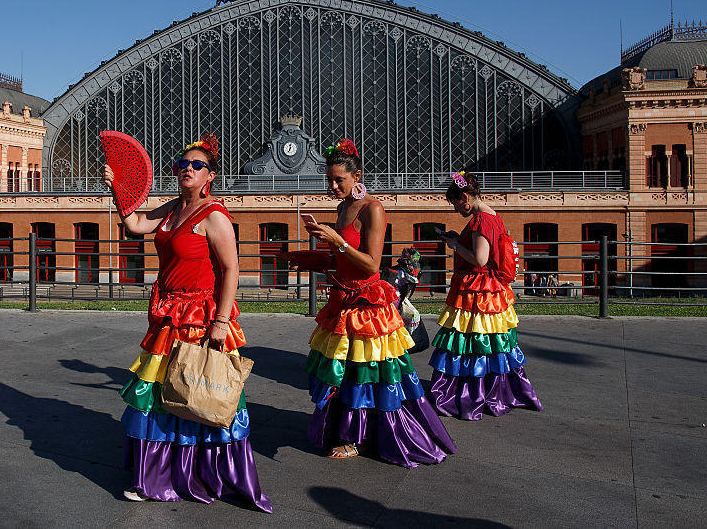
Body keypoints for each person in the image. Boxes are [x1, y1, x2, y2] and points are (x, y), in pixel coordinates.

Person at [102, 134, 272, 511]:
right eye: (182, 165)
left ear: (210, 175)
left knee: (199, 390)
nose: (187, 170)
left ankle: (203, 473)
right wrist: (117, 186)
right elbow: (135, 224)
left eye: (196, 166)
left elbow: (231, 269)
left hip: (200, 316)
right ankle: (158, 476)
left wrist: (222, 321)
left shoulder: (214, 215)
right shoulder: (173, 207)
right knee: (160, 395)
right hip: (168, 314)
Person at [287, 139, 455, 467]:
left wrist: (337, 241)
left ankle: (360, 438)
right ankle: (348, 430)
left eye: (340, 180)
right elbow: (342, 261)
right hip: (343, 300)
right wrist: (311, 258)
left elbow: (372, 265)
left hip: (367, 304)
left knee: (366, 374)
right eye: (329, 180)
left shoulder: (372, 209)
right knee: (344, 372)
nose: (333, 186)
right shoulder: (341, 208)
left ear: (357, 176)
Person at [429, 171, 543, 420]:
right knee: (492, 343)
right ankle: (496, 389)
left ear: (466, 198)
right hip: (493, 292)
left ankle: (469, 392)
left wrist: (456, 246)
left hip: (478, 291)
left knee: (469, 341)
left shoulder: (481, 220)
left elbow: (480, 259)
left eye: (457, 204)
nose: (457, 209)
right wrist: (459, 239)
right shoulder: (494, 216)